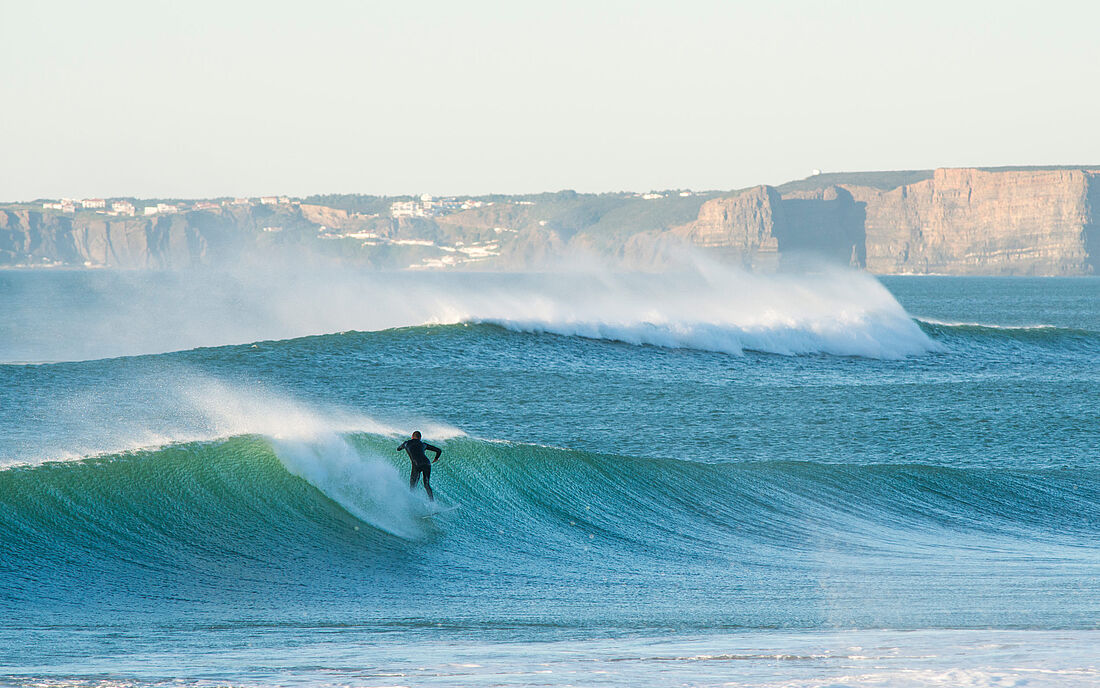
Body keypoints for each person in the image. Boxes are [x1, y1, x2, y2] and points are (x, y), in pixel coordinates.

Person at [397, 431, 442, 500]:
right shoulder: (423, 444)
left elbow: (398, 449)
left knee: (412, 486)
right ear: (420, 438)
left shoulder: (406, 443)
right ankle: (432, 504)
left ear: (412, 437)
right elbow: (439, 450)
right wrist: (436, 458)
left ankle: (411, 501)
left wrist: (401, 447)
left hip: (416, 464)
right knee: (426, 484)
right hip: (427, 463)